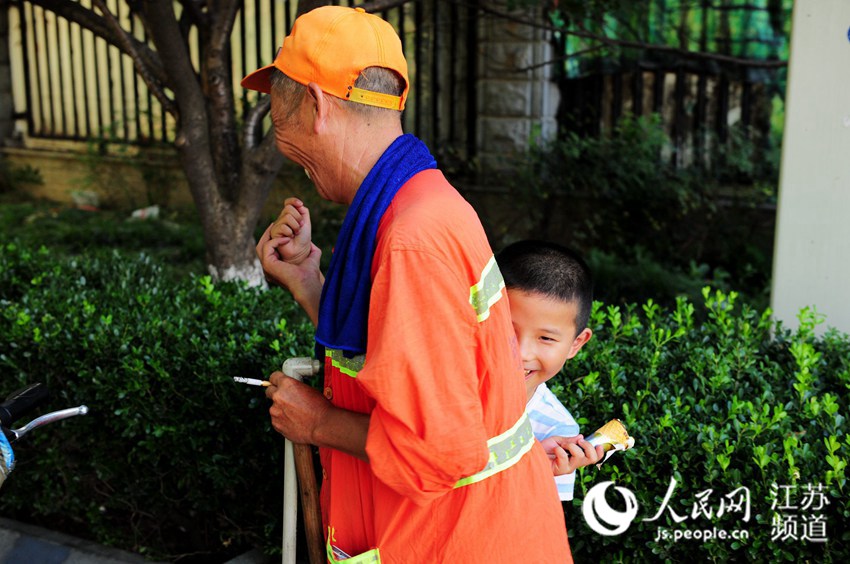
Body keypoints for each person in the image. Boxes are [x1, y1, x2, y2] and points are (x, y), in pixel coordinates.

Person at [243, 6, 572, 562]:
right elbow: (402, 359)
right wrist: (307, 282)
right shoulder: (412, 200)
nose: (281, 144)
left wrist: (318, 422)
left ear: (318, 107)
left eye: (279, 119)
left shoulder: (411, 237)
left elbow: (436, 453)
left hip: (458, 543)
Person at [496, 240, 604, 503]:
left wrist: (540, 472)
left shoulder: (558, 432)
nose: (520, 353)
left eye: (545, 338)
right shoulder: (449, 389)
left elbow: (532, 530)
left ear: (576, 344)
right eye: (506, 329)